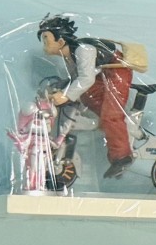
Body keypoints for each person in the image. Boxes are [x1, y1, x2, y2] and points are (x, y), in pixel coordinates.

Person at [37, 14, 148, 179]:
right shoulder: (69, 55)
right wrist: (60, 88)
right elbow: (77, 78)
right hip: (102, 74)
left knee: (110, 115)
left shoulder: (83, 50)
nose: (44, 44)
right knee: (88, 98)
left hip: (117, 70)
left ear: (60, 41)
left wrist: (66, 95)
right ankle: (118, 129)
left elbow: (86, 79)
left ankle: (122, 157)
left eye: (46, 39)